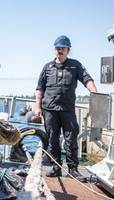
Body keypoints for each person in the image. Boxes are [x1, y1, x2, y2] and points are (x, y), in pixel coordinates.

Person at [35, 35, 97, 180]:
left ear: (68, 50)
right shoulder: (47, 67)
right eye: (57, 48)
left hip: (67, 109)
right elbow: (39, 88)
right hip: (49, 109)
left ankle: (73, 169)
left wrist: (95, 94)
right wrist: (38, 107)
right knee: (52, 139)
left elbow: (87, 79)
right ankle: (56, 167)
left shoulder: (75, 65)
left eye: (62, 48)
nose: (60, 51)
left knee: (71, 139)